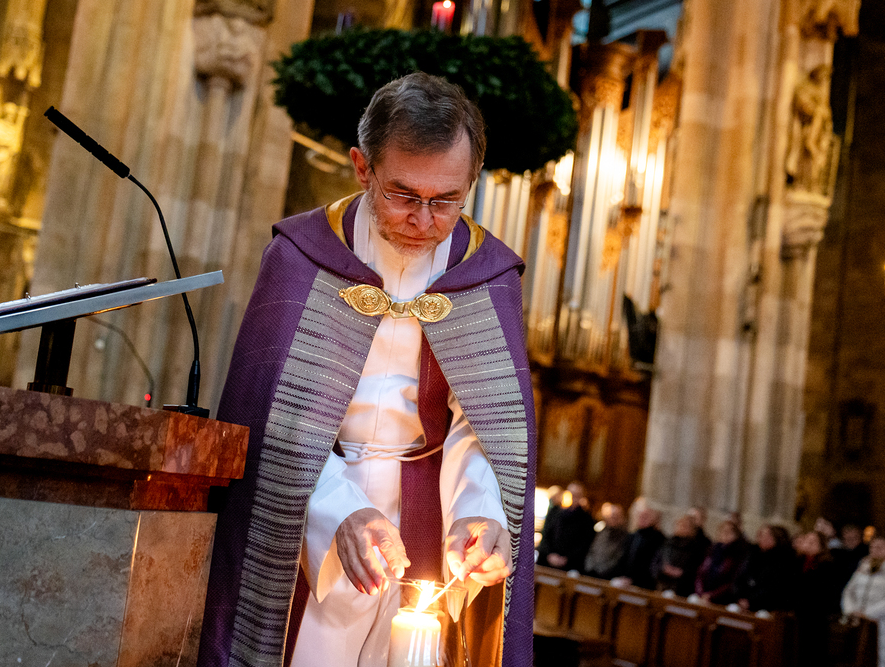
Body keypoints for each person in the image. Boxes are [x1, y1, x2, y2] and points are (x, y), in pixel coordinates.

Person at [196, 73, 536, 667]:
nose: (424, 220)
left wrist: (479, 513)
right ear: (362, 168)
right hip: (308, 512)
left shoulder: (487, 275)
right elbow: (271, 415)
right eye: (403, 194)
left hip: (431, 527)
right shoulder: (300, 256)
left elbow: (485, 429)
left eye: (446, 200)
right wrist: (337, 509)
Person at [841, 537, 885, 667]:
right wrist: (851, 609)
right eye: (872, 547)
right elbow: (849, 591)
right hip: (859, 622)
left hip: (881, 625)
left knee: (880, 659)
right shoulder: (863, 569)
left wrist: (868, 613)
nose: (875, 550)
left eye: (880, 547)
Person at [793, 530, 839, 667]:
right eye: (807, 541)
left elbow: (824, 591)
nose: (808, 545)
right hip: (800, 613)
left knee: (814, 652)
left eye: (813, 542)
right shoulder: (798, 561)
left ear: (821, 546)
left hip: (816, 615)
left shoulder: (827, 565)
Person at [734, 524, 796, 612]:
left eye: (767, 536)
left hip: (767, 606)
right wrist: (740, 597)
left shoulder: (783, 560)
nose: (762, 538)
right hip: (742, 601)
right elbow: (740, 577)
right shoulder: (752, 553)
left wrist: (751, 601)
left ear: (776, 538)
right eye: (760, 535)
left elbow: (774, 587)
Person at [536, 481, 594, 572]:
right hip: (546, 561)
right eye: (571, 494)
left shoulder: (586, 519)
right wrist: (550, 555)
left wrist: (566, 559)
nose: (573, 497)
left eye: (577, 495)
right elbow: (545, 535)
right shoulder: (554, 512)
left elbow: (583, 544)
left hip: (569, 566)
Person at [611, 505, 665, 590]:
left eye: (646, 516)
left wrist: (633, 579)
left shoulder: (658, 539)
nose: (642, 519)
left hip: (644, 583)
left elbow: (651, 563)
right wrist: (622, 575)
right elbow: (624, 558)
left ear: (654, 520)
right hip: (626, 580)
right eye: (640, 516)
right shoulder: (633, 536)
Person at [652, 514, 706, 597]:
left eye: (686, 526)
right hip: (662, 584)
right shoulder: (667, 543)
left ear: (692, 529)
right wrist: (662, 568)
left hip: (682, 589)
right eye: (680, 525)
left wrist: (681, 573)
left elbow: (697, 571)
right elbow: (655, 562)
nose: (682, 528)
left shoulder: (697, 549)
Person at [693, 519, 746, 604]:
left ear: (736, 536)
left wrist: (711, 595)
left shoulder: (737, 555)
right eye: (723, 531)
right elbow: (701, 573)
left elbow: (731, 581)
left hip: (722, 599)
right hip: (703, 595)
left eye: (729, 532)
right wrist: (701, 592)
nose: (725, 534)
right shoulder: (711, 551)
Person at [584, 502, 629, 579]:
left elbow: (618, 558)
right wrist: (590, 567)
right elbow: (592, 551)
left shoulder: (625, 537)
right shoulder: (601, 532)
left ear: (622, 518)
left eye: (616, 516)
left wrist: (602, 570)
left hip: (607, 576)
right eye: (612, 516)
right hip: (591, 572)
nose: (613, 518)